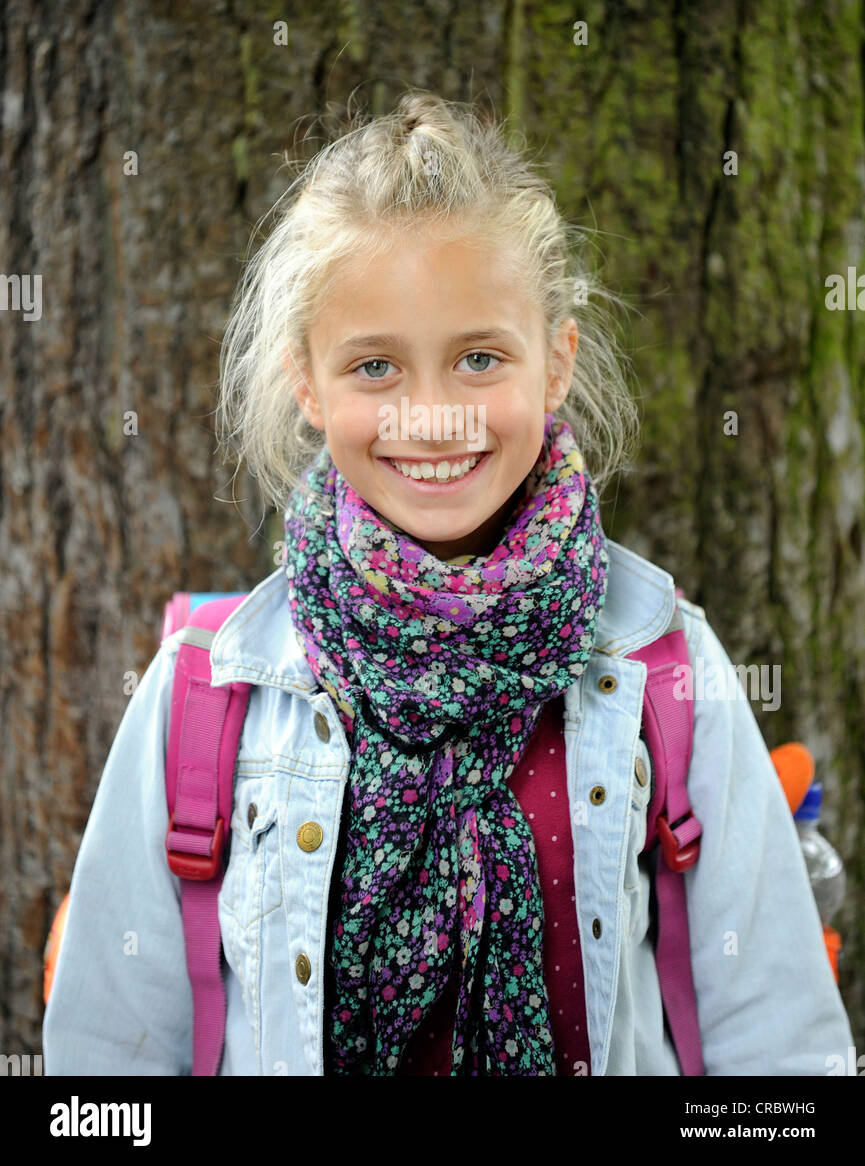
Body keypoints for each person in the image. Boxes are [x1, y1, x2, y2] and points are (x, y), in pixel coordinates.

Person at [43, 90, 853, 1075]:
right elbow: (105, 1070)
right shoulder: (206, 695)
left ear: (555, 362)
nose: (429, 417)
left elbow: (780, 1058)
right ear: (306, 380)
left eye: (478, 358)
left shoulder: (666, 672)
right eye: (375, 366)